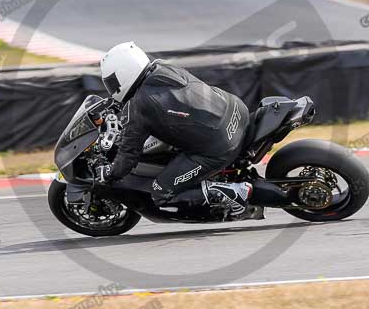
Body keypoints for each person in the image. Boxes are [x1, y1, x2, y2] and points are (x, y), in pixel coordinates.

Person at [96, 41, 253, 217]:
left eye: (111, 81)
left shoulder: (139, 106)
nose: (111, 87)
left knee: (160, 192)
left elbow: (128, 154)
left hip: (220, 145)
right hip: (236, 110)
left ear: (123, 73)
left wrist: (110, 173)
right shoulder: (163, 67)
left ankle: (233, 192)